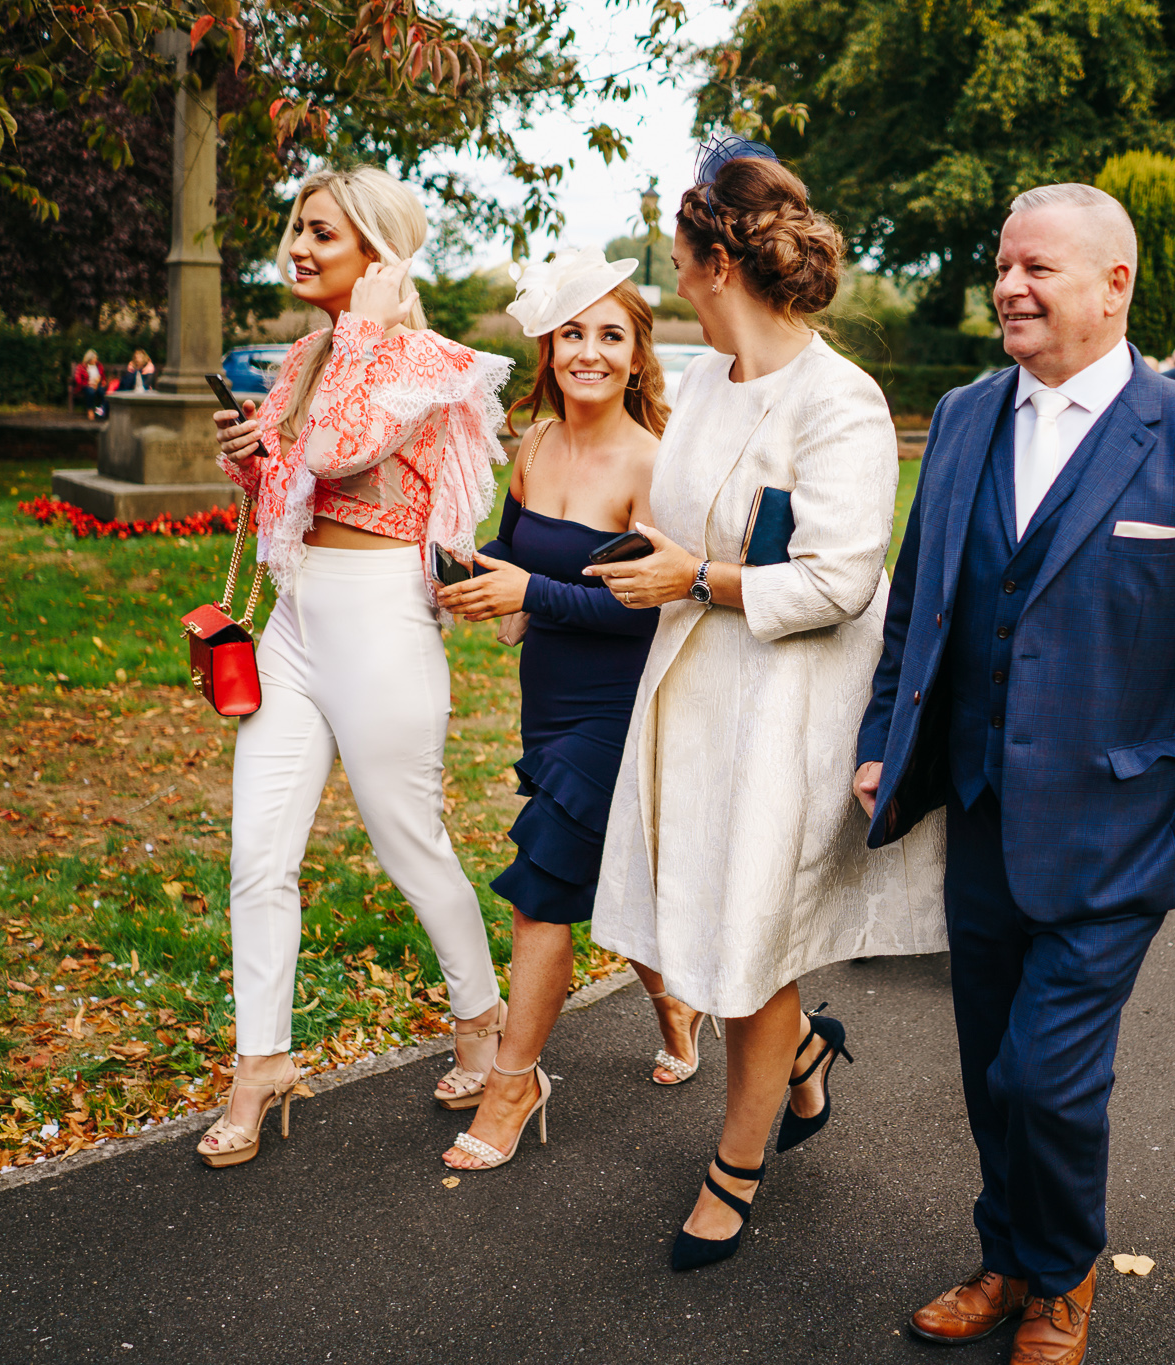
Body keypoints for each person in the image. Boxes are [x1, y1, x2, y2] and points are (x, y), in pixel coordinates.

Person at [855, 183, 1175, 1365]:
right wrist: (881, 739)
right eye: (1002, 265)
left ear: (1114, 285)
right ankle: (1005, 1254)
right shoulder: (964, 416)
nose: (1010, 285)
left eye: (1038, 269)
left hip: (1124, 817)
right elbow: (920, 600)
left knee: (1045, 1076)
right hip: (979, 808)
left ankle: (1059, 1278)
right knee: (985, 1069)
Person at [587, 137, 947, 1272]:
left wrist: (696, 577)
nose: (673, 273)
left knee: (751, 934)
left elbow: (842, 578)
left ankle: (734, 1167)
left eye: (679, 256)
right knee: (702, 918)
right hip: (690, 689)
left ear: (712, 265)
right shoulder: (700, 377)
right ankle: (801, 1061)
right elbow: (681, 512)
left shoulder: (842, 402)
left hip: (789, 703)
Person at [201, 165, 512, 1167]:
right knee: (257, 857)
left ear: (376, 253)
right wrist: (252, 451)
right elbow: (292, 491)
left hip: (380, 625)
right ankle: (261, 1065)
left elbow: (339, 450)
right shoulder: (304, 359)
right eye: (296, 227)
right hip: (295, 627)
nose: (297, 246)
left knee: (409, 844)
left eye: (321, 234)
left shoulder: (423, 360)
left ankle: (484, 1026)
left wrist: (365, 336)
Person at [430, 250, 695, 1171]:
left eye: (609, 335)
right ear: (550, 348)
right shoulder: (534, 446)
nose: (589, 351)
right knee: (624, 877)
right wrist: (458, 567)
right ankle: (676, 1008)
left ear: (635, 355)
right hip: (544, 703)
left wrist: (528, 591)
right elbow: (514, 545)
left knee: (543, 888)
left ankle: (515, 1083)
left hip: (617, 711)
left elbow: (650, 607)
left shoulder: (651, 464)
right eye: (573, 333)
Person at [72, 350, 105, 419]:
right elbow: (78, 380)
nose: (96, 360)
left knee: (102, 392)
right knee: (90, 392)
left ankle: (99, 412)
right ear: (89, 359)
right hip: (86, 386)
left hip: (97, 385)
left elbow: (103, 377)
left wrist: (102, 382)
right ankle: (90, 410)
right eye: (94, 358)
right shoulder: (81, 366)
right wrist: (88, 384)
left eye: (96, 358)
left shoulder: (99, 365)